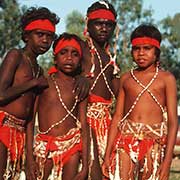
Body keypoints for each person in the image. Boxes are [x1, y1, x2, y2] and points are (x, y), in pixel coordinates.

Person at [102, 24, 178, 180]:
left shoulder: (166, 79)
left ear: (156, 52)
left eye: (147, 48)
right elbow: (117, 117)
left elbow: (173, 121)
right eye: (136, 48)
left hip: (154, 143)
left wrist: (167, 160)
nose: (141, 53)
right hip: (125, 141)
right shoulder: (126, 78)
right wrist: (108, 154)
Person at [0, 7, 60, 180]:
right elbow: (1, 95)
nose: (45, 40)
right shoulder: (15, 56)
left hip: (19, 132)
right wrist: (32, 83)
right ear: (26, 36)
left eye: (50, 36)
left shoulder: (39, 70)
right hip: (3, 126)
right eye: (40, 34)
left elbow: (30, 118)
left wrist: (30, 158)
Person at [26, 33, 89, 180]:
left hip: (71, 146)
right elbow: (29, 120)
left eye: (74, 54)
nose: (69, 58)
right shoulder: (43, 84)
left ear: (80, 61)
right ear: (55, 57)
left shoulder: (80, 87)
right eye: (63, 53)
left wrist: (85, 166)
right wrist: (29, 158)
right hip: (44, 147)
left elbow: (84, 125)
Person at [81, 0, 120, 179]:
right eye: (98, 23)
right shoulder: (80, 50)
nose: (104, 28)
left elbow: (119, 93)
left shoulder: (110, 58)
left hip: (107, 122)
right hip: (85, 120)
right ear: (87, 24)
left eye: (108, 24)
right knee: (91, 169)